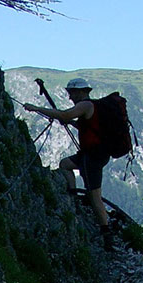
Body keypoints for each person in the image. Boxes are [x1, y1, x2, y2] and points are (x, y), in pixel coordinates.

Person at [24, 77, 114, 251]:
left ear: (80, 92)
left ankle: (105, 233)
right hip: (94, 154)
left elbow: (64, 114)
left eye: (71, 93)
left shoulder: (85, 105)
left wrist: (36, 108)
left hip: (92, 157)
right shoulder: (90, 107)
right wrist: (71, 122)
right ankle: (73, 195)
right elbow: (86, 127)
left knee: (94, 195)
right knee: (65, 164)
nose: (70, 97)